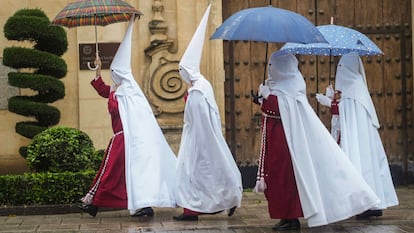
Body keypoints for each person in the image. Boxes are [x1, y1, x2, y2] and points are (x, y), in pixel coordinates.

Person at [254, 51, 380, 230]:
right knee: (275, 177)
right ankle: (284, 215)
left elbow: (281, 109)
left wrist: (268, 96)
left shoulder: (291, 84)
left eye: (273, 66)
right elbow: (272, 109)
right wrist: (262, 98)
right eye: (270, 65)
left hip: (287, 143)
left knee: (285, 178)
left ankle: (291, 217)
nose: (270, 69)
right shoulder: (275, 85)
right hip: (275, 139)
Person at [78, 15, 178, 217]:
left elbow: (121, 107)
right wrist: (98, 71)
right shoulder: (119, 91)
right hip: (121, 138)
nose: (112, 75)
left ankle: (94, 202)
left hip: (127, 139)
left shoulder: (128, 93)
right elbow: (106, 92)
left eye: (114, 72)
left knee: (111, 172)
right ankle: (103, 203)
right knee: (117, 173)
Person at [173, 4, 243, 221]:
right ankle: (192, 209)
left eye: (182, 71)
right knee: (204, 173)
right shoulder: (201, 85)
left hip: (198, 139)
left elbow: (195, 118)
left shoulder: (196, 90)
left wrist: (197, 141)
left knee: (197, 173)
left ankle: (209, 204)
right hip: (201, 137)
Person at [333, 52, 399, 219]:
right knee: (367, 167)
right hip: (362, 140)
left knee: (363, 166)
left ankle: (367, 205)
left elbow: (346, 113)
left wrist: (332, 103)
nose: (339, 72)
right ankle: (371, 205)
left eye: (341, 67)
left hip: (359, 141)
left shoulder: (353, 89)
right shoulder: (355, 87)